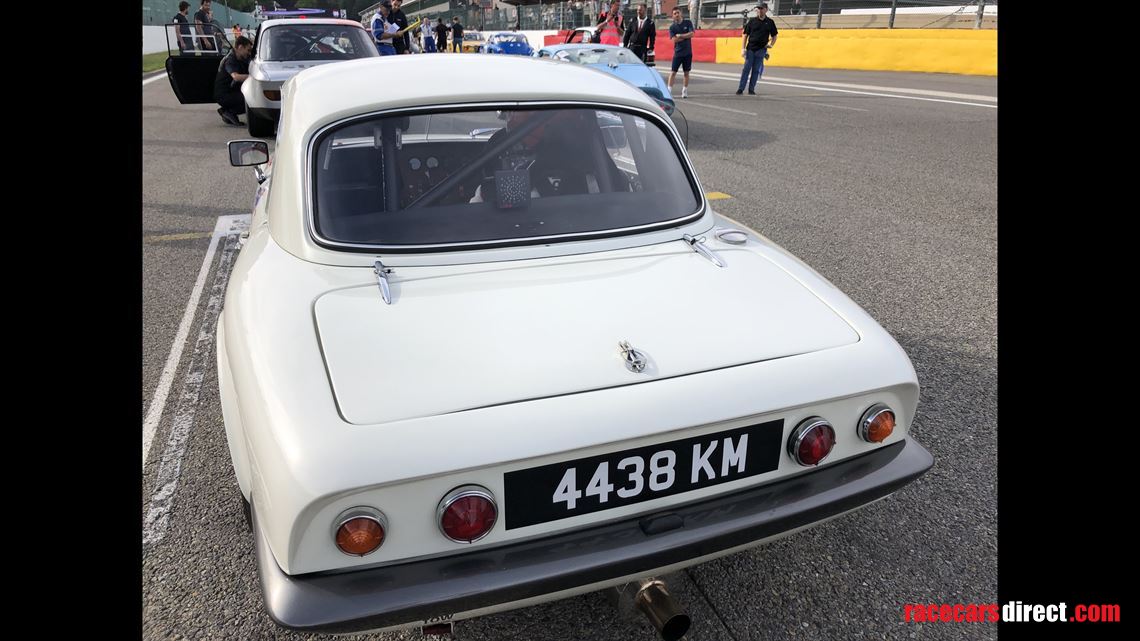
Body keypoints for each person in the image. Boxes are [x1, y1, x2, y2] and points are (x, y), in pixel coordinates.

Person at [737, 3, 777, 95]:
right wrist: (743, 48)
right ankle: (741, 88)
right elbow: (745, 34)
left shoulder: (770, 22)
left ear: (766, 9)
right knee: (746, 69)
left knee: (756, 70)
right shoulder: (752, 21)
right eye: (758, 8)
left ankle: (751, 89)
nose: (759, 10)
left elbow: (774, 35)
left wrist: (771, 44)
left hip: (761, 50)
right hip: (751, 48)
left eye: (761, 8)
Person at [214, 35, 253, 126]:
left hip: (231, 91)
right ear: (240, 47)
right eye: (248, 50)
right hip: (224, 95)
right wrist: (253, 78)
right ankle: (229, 112)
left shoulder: (241, 58)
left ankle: (228, 111)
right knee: (251, 99)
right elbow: (236, 77)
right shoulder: (230, 60)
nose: (249, 53)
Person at [667, 7, 694, 99]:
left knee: (686, 72)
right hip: (678, 53)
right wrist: (686, 36)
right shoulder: (672, 27)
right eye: (674, 13)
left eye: (677, 13)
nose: (676, 15)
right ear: (672, 16)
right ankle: (669, 91)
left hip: (688, 53)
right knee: (673, 72)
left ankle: (684, 90)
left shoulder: (688, 23)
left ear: (681, 13)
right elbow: (674, 39)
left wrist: (681, 35)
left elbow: (692, 34)